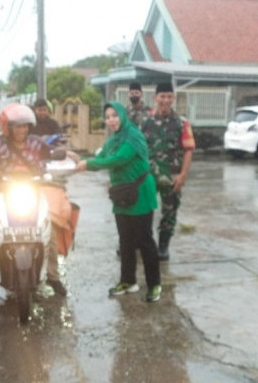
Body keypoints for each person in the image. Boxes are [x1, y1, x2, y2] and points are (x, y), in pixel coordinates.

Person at [0, 103, 67, 306]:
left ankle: (53, 276)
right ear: (7, 127)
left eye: (25, 126)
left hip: (33, 191)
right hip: (3, 194)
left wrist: (68, 156)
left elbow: (52, 154)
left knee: (49, 232)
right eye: (17, 126)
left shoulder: (37, 143)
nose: (22, 130)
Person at [74, 101, 161, 302]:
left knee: (145, 241)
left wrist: (87, 165)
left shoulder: (133, 136)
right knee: (125, 240)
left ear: (122, 115)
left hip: (140, 192)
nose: (111, 120)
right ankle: (128, 281)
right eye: (107, 117)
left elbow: (118, 160)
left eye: (114, 115)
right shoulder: (113, 139)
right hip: (122, 193)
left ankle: (155, 284)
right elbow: (102, 156)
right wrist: (78, 160)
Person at [140, 82, 195, 261]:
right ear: (155, 98)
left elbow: (188, 150)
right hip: (147, 176)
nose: (165, 100)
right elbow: (138, 148)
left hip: (172, 176)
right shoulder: (145, 122)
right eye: (162, 96)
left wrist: (183, 175)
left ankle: (163, 247)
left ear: (173, 98)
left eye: (169, 96)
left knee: (170, 213)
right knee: (143, 210)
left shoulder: (182, 123)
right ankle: (142, 242)